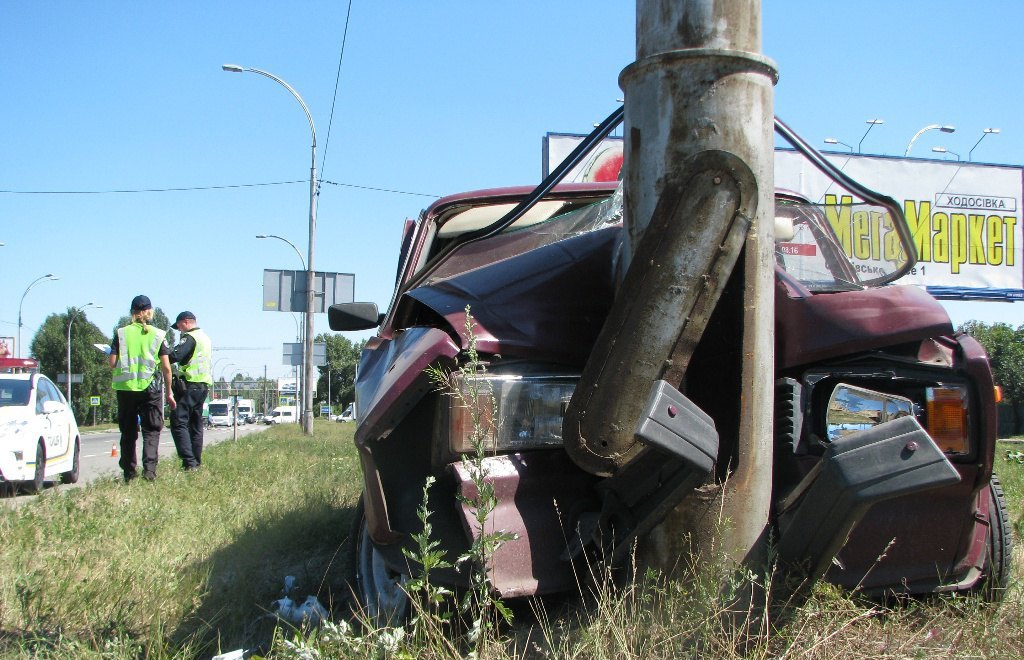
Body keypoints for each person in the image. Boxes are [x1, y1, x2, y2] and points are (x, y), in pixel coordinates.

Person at [109, 295, 175, 482]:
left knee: (128, 432)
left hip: (126, 389)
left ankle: (129, 474)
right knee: (151, 430)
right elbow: (167, 368)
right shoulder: (158, 334)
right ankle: (149, 472)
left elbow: (112, 363)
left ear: (132, 313)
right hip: (150, 389)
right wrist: (169, 392)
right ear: (149, 311)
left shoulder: (121, 333)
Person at [168, 311, 212, 470]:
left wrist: (162, 353)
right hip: (202, 386)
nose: (179, 331)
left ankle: (189, 462)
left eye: (179, 327)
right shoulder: (205, 338)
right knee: (195, 424)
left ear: (186, 322)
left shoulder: (190, 337)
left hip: (189, 385)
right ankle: (196, 462)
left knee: (178, 422)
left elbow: (175, 356)